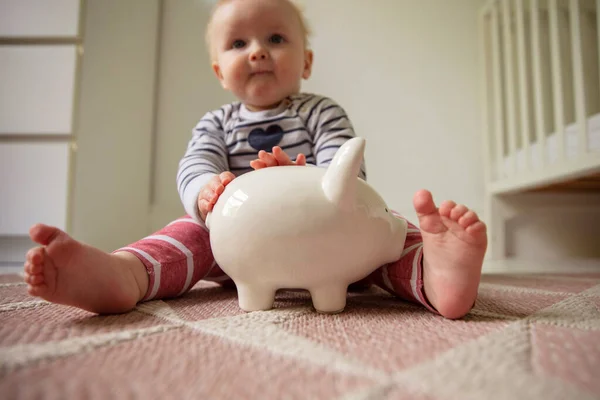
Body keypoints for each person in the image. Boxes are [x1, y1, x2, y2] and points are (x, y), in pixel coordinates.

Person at [23, 0, 487, 319]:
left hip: (329, 242)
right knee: (183, 236)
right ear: (219, 71)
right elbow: (194, 165)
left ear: (306, 62)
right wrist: (205, 192)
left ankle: (434, 275)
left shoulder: (321, 112)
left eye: (276, 38)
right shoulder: (216, 122)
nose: (258, 50)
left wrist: (299, 174)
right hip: (234, 248)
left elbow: (349, 170)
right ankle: (123, 275)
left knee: (385, 228)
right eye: (238, 43)